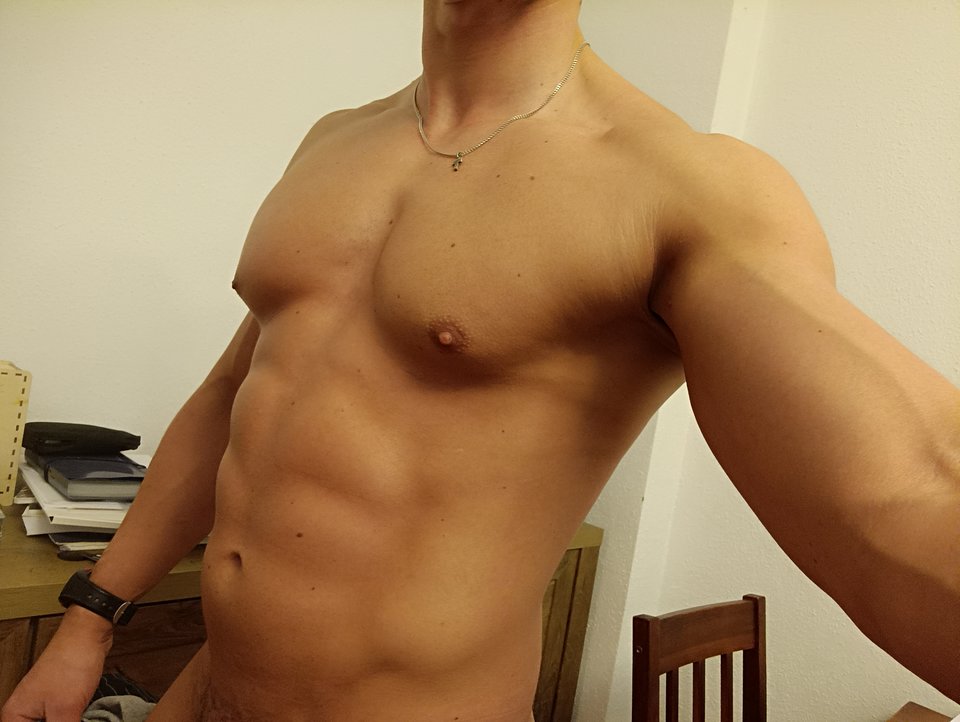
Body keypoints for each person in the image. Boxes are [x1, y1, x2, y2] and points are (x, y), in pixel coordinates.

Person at [4, 1, 959, 720]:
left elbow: (908, 491)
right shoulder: (333, 141)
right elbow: (229, 397)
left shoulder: (684, 188)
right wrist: (87, 623)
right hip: (208, 690)